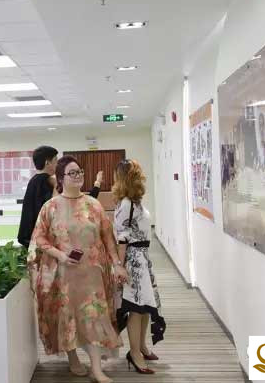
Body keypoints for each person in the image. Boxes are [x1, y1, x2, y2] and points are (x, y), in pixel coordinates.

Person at [28, 155, 128, 383]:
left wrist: (116, 264)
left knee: (94, 318)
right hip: (64, 276)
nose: (78, 176)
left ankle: (96, 369)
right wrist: (60, 255)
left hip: (92, 275)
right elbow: (39, 239)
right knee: (68, 318)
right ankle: (73, 358)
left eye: (80, 172)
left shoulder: (93, 205)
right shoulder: (50, 207)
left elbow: (108, 238)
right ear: (61, 178)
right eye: (72, 173)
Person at [113, 159, 165, 375]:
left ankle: (142, 346)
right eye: (137, 173)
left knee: (145, 308)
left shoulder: (135, 202)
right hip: (134, 261)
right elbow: (122, 238)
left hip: (142, 259)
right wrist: (120, 266)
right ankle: (134, 353)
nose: (141, 176)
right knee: (136, 309)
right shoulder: (126, 204)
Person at [17, 146, 58, 248]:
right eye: (55, 161)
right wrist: (56, 185)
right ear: (47, 163)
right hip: (40, 239)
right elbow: (51, 208)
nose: (57, 164)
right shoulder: (46, 181)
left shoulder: (34, 181)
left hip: (31, 236)